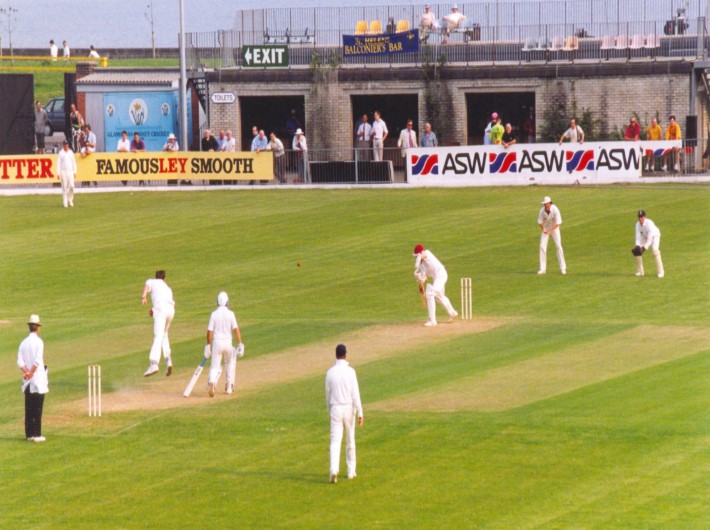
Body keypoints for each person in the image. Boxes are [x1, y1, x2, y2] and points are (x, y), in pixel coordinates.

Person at [325, 344, 364, 484]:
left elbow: (328, 395)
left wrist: (330, 411)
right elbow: (355, 394)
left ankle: (333, 470)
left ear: (336, 355)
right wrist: (360, 412)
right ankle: (350, 471)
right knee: (350, 440)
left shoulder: (330, 372)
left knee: (335, 442)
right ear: (345, 355)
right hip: (348, 408)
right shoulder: (350, 371)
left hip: (335, 408)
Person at [204, 291, 244, 396]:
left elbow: (209, 331)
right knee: (230, 364)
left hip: (217, 343)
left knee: (214, 367)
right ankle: (229, 387)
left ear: (217, 302)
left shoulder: (214, 314)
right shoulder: (231, 314)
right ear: (227, 302)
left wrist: (208, 345)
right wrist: (240, 343)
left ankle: (212, 381)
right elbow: (236, 329)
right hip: (228, 343)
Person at [17, 314, 48, 442]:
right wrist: (31, 372)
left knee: (29, 408)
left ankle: (29, 434)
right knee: (37, 408)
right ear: (38, 328)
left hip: (28, 381)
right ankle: (37, 434)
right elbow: (37, 361)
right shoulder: (39, 342)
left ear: (30, 327)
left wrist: (27, 372)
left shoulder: (23, 343)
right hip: (38, 380)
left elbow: (19, 362)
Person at [413, 244, 458, 326]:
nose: (416, 258)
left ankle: (432, 320)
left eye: (417, 256)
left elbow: (421, 257)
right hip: (436, 278)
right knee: (439, 297)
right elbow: (424, 277)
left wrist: (416, 265)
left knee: (430, 294)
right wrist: (420, 278)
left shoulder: (427, 253)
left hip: (441, 274)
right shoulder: (422, 265)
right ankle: (452, 313)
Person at [141, 270, 175, 377]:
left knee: (158, 336)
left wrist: (144, 296)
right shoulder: (167, 288)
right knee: (164, 334)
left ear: (156, 277)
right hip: (170, 310)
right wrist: (154, 311)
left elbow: (147, 286)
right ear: (164, 278)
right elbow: (164, 303)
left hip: (161, 309)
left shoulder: (152, 281)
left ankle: (154, 364)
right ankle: (168, 361)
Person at [537, 196, 567, 275]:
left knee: (558, 246)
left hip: (555, 229)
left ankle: (563, 268)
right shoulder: (542, 211)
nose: (546, 206)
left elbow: (558, 222)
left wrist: (551, 230)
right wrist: (543, 229)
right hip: (546, 228)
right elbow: (540, 221)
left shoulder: (555, 209)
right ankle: (542, 269)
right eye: (544, 204)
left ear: (550, 204)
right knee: (542, 246)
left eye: (547, 204)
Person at [633, 210, 664, 278]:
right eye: (639, 217)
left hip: (655, 236)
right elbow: (638, 237)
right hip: (645, 236)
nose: (640, 218)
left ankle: (661, 272)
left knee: (655, 251)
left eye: (641, 217)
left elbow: (649, 240)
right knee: (637, 251)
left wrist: (643, 249)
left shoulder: (649, 224)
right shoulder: (637, 225)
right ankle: (640, 271)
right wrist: (638, 246)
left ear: (644, 217)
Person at [57, 140, 77, 208]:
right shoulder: (61, 153)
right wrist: (58, 173)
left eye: (67, 145)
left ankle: (70, 200)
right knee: (64, 187)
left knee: (72, 186)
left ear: (68, 145)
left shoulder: (71, 152)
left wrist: (75, 172)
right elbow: (58, 163)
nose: (66, 146)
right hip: (63, 172)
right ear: (63, 145)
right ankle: (65, 202)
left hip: (70, 171)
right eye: (65, 145)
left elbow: (74, 162)